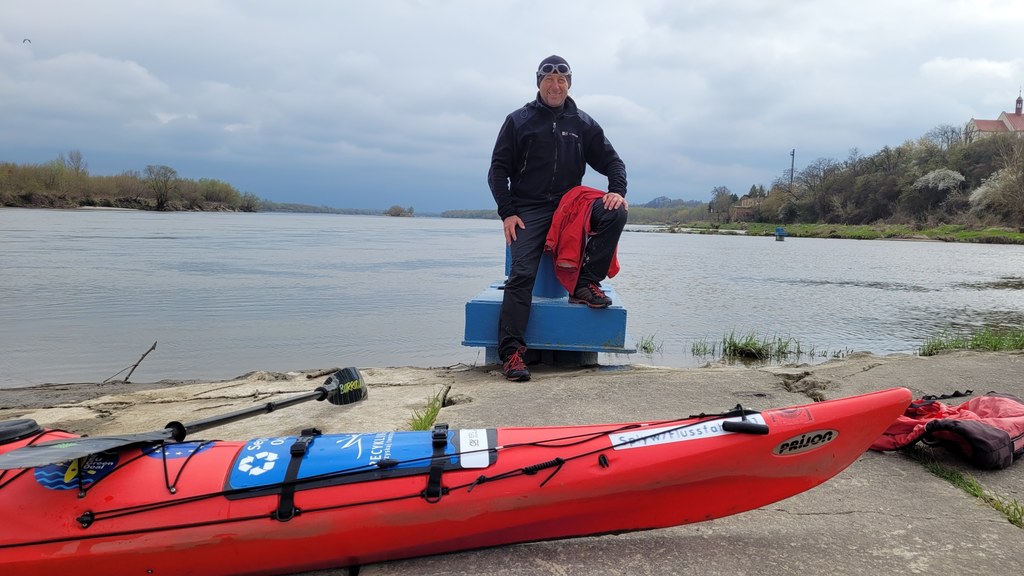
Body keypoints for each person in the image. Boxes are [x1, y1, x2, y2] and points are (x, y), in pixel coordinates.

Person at [487, 55, 628, 382]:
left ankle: (584, 284)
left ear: (569, 83)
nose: (555, 85)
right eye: (548, 79)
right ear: (539, 83)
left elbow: (613, 163)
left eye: (561, 79)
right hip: (529, 208)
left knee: (615, 210)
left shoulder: (582, 123)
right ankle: (511, 353)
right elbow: (497, 171)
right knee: (522, 273)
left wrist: (617, 190)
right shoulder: (519, 120)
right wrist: (507, 212)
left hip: (570, 205)